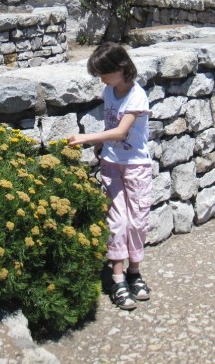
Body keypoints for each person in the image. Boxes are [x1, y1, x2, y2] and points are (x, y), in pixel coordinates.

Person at [68, 42, 153, 310]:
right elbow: (110, 125)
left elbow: (121, 132)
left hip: (136, 165)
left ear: (122, 68)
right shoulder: (109, 90)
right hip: (111, 163)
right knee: (117, 220)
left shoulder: (137, 97)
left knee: (137, 220)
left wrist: (86, 137)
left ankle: (134, 272)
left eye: (104, 73)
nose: (101, 80)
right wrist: (99, 145)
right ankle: (118, 278)